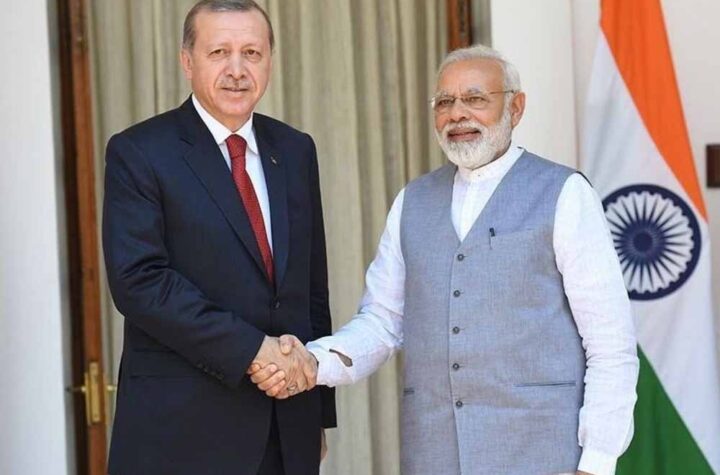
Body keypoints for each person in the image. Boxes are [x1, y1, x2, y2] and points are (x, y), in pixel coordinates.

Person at [250, 44, 639, 475]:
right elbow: (381, 322)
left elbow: (610, 343)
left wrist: (598, 461)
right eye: (444, 102)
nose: (457, 114)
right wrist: (313, 361)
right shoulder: (412, 202)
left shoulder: (565, 194)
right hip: (434, 454)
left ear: (515, 108)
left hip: (541, 454)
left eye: (475, 99)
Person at [102, 1, 332, 474]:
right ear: (187, 61)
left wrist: (317, 414)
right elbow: (140, 282)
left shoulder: (294, 150)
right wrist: (251, 349)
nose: (237, 70)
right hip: (182, 434)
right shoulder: (139, 152)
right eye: (219, 52)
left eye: (252, 52)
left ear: (270, 60)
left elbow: (312, 288)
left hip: (286, 426)